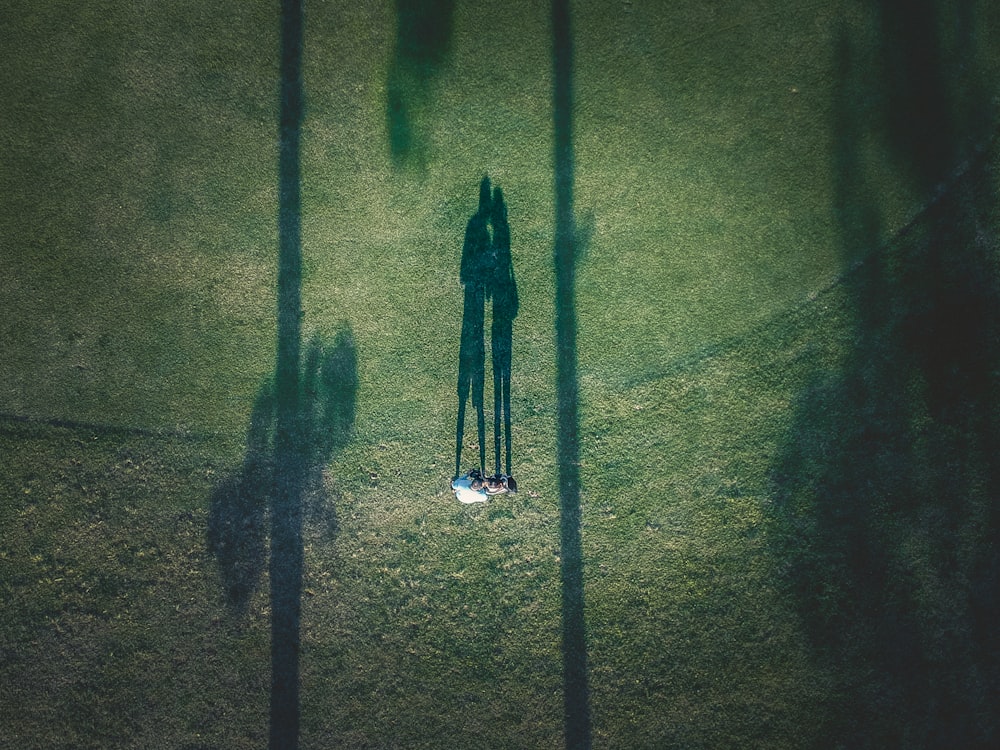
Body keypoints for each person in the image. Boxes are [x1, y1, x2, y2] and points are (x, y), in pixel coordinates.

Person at [454, 176, 492, 479]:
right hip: (476, 290)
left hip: (474, 290)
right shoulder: (478, 229)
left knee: (474, 316)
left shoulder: (474, 228)